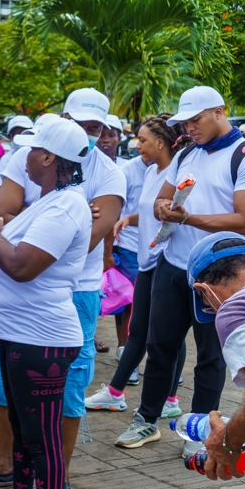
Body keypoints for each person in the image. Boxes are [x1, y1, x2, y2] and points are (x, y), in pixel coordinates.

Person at [0, 117, 91, 489]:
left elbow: (23, 266)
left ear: (47, 158)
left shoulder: (65, 208)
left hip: (41, 339)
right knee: (26, 433)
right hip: (17, 333)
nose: (19, 156)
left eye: (29, 150)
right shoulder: (46, 202)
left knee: (43, 441)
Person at [116, 86, 245, 448]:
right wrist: (163, 209)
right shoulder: (187, 153)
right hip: (174, 266)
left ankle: (203, 429)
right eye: (184, 122)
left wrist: (188, 218)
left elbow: (244, 220)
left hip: (221, 275)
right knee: (160, 347)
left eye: (195, 119)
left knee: (211, 357)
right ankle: (147, 419)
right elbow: (163, 196)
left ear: (219, 112)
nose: (189, 128)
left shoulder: (242, 154)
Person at [87, 115, 188, 420]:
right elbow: (152, 212)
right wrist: (128, 220)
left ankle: (168, 398)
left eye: (143, 140)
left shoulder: (177, 173)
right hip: (147, 262)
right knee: (139, 331)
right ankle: (117, 393)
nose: (137, 145)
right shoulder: (154, 172)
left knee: (167, 335)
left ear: (160, 142)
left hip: (164, 262)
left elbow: (174, 216)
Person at [57, 89, 125, 489]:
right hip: (22, 288)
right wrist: (78, 216)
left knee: (73, 376)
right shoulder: (36, 156)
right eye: (79, 124)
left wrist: (33, 228)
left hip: (78, 288)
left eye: (94, 127)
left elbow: (90, 242)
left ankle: (58, 473)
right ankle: (7, 464)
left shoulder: (109, 172)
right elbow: (4, 213)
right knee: (9, 377)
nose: (86, 134)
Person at [187, 234, 245, 480]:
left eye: (205, 302)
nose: (212, 310)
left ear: (203, 289)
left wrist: (228, 444)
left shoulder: (234, 309)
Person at [100, 114, 142, 362]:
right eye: (102, 134)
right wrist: (109, 250)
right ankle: (125, 351)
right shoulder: (126, 171)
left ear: (119, 138)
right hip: (125, 245)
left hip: (155, 246)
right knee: (126, 300)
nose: (106, 140)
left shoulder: (125, 165)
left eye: (111, 135)